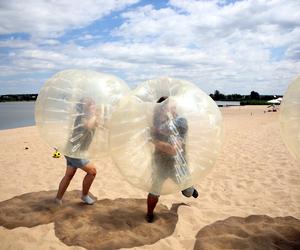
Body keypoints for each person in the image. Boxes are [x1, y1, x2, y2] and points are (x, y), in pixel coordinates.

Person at [146, 96, 198, 223]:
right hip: (160, 163)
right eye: (170, 106)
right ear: (161, 109)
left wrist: (156, 142)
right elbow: (154, 139)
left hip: (178, 165)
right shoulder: (155, 125)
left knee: (188, 192)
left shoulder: (181, 122)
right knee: (154, 191)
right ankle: (149, 213)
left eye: (174, 106)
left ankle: (191, 189)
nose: (174, 109)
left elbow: (174, 150)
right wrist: (156, 140)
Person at [55, 97, 98, 205]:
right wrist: (96, 115)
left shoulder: (90, 117)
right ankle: (84, 196)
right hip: (75, 151)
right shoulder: (81, 118)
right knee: (92, 172)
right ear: (84, 108)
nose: (93, 106)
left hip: (72, 150)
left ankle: (58, 199)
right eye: (90, 105)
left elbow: (99, 127)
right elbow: (88, 126)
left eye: (93, 103)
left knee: (69, 174)